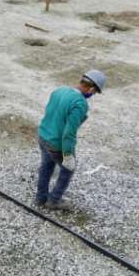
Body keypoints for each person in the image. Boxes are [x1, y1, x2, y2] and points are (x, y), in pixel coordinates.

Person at [35, 70, 106, 210]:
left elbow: (53, 113)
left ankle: (40, 197)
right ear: (92, 89)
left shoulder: (60, 90)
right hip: (56, 144)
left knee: (46, 166)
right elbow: (69, 133)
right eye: (95, 92)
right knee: (68, 169)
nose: (92, 95)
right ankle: (54, 201)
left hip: (43, 136)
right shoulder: (80, 104)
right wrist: (68, 155)